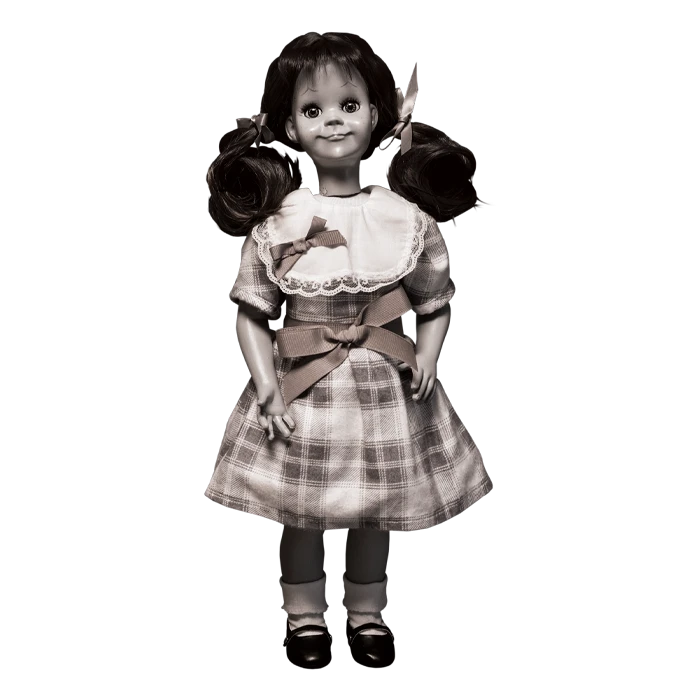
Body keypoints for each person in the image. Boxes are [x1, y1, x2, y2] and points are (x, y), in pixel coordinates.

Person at [205, 32, 493, 670]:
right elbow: (253, 310)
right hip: (304, 384)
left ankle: (368, 618)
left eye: (349, 105)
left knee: (375, 509)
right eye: (314, 109)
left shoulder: (402, 217)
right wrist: (266, 385)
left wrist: (427, 355)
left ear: (379, 117)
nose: (333, 120)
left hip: (383, 383)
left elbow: (434, 297)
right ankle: (305, 619)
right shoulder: (280, 222)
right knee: (301, 510)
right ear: (290, 128)